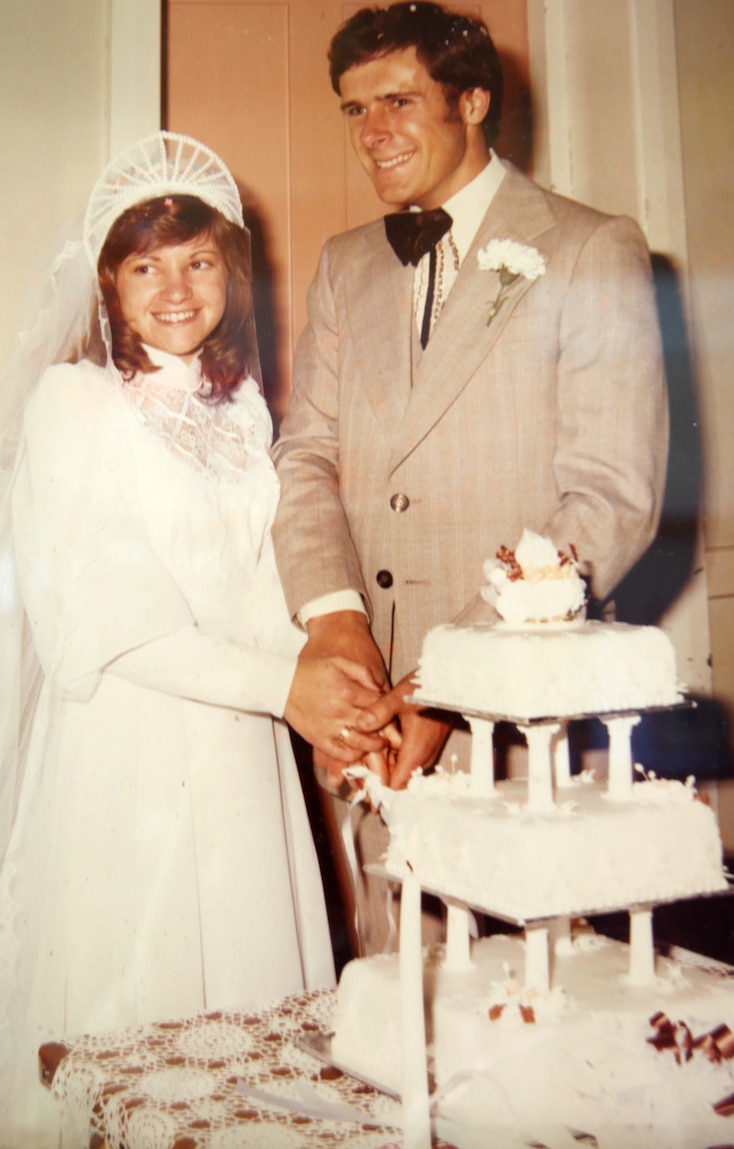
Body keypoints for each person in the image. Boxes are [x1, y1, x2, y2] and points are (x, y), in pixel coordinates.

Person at [0, 131, 359, 1147]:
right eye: (145, 266)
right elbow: (102, 617)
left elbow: (262, 585)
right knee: (133, 1029)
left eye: (196, 261)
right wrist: (286, 691)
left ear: (229, 268)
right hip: (132, 760)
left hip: (244, 758)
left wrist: (334, 692)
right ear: (107, 282)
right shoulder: (74, 405)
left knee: (248, 1041)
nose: (174, 288)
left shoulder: (242, 410)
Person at [272, 3, 669, 954]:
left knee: (528, 1021)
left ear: (475, 99)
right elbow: (306, 457)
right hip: (367, 721)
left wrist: (448, 684)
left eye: (399, 100)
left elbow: (610, 501)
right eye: (353, 109)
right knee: (391, 1003)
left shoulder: (589, 247)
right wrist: (335, 629)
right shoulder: (343, 266)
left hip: (511, 718)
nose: (372, 132)